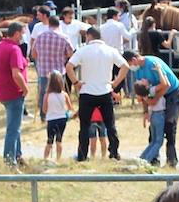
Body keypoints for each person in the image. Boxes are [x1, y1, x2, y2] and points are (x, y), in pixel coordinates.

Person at [68, 25, 128, 162]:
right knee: (110, 125)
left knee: (84, 126)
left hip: (87, 92)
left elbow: (69, 66)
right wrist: (115, 82)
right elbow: (125, 66)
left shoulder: (83, 50)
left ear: (88, 36)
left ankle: (82, 154)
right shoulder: (110, 50)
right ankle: (114, 152)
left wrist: (76, 82)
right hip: (105, 91)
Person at [124, 49, 179, 167]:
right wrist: (146, 110)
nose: (130, 68)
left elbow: (167, 85)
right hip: (157, 98)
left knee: (170, 125)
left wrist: (155, 99)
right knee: (154, 132)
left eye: (130, 64)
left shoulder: (152, 64)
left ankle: (171, 160)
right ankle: (153, 159)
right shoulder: (138, 72)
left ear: (134, 60)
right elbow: (143, 93)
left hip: (173, 92)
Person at [0, 22, 30, 166]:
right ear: (16, 33)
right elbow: (16, 74)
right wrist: (25, 88)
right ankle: (9, 161)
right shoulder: (14, 49)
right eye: (22, 33)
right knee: (13, 129)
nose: (23, 36)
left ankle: (18, 155)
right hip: (13, 93)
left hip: (2, 92)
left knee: (15, 125)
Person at [30, 11, 73, 120]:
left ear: (49, 24)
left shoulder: (40, 37)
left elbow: (33, 54)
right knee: (60, 92)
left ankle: (43, 115)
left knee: (43, 92)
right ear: (59, 25)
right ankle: (60, 113)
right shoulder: (64, 37)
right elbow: (70, 53)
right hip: (58, 71)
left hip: (43, 70)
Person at [134, 79, 168, 164]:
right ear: (146, 86)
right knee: (159, 141)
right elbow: (165, 84)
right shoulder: (152, 90)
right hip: (159, 115)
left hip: (152, 115)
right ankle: (147, 160)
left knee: (153, 141)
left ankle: (142, 158)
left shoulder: (145, 94)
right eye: (142, 81)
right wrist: (159, 70)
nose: (143, 79)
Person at [42, 72, 70, 161]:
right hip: (62, 119)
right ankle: (58, 159)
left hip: (51, 119)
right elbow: (69, 107)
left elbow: (44, 110)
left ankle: (45, 159)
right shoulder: (64, 94)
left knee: (49, 141)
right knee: (59, 140)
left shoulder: (47, 95)